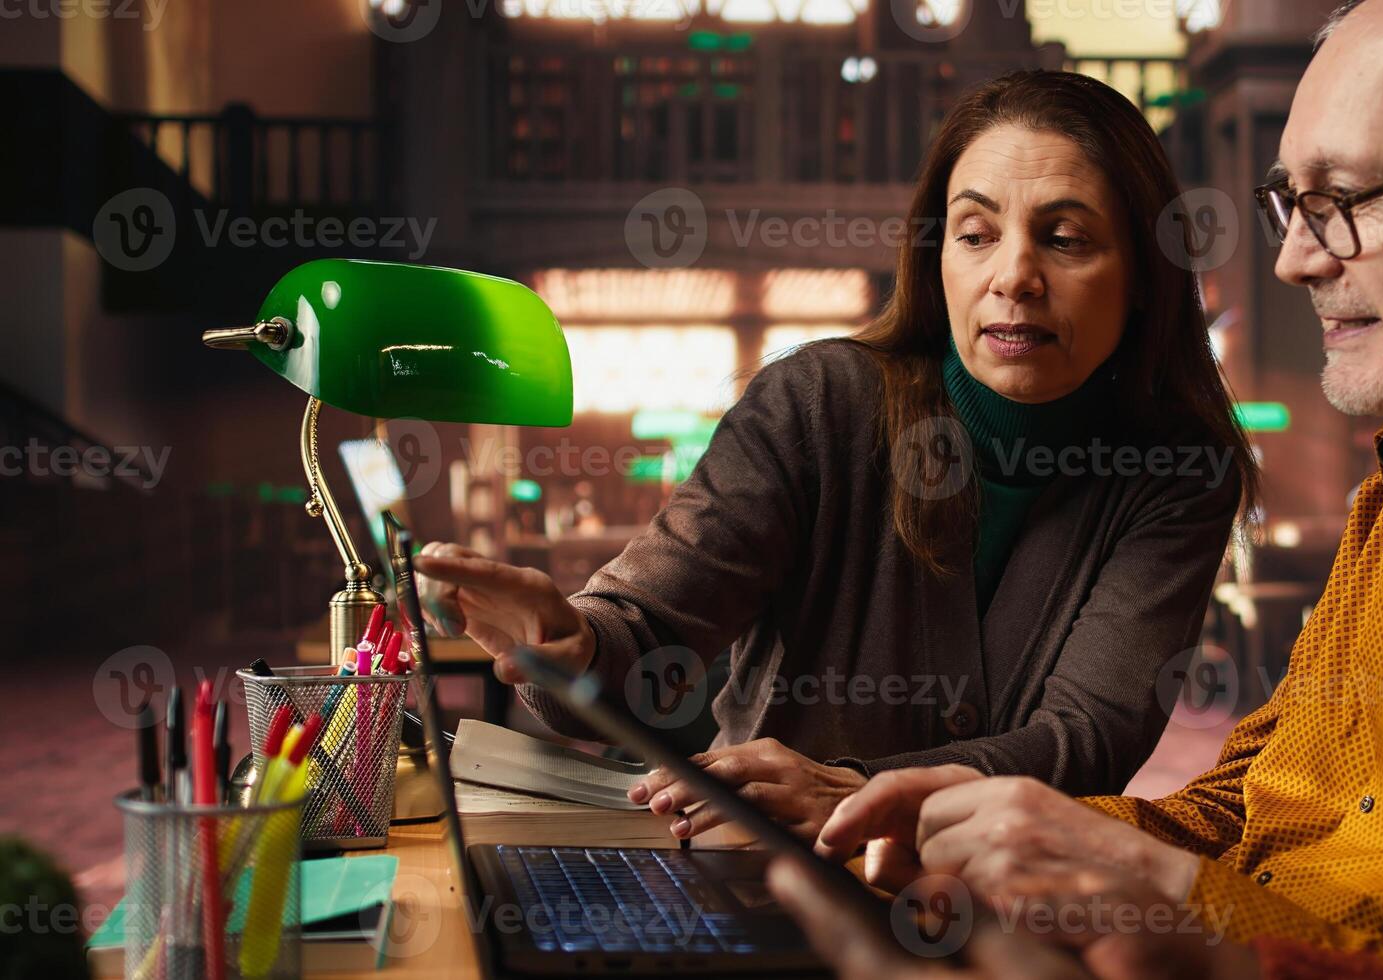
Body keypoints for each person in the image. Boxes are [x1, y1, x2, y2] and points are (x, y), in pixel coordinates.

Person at [788, 1, 1383, 976]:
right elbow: (1244, 805)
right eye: (1287, 203)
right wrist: (969, 827)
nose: (1291, 258)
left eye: (1340, 198)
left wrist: (1171, 906)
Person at [413, 70, 1256, 843]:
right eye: (975, 233)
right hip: (766, 869)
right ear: (938, 257)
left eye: (1065, 239)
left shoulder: (1176, 471)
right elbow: (647, 630)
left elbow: (1084, 741)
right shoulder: (816, 404)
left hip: (1006, 908)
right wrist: (569, 642)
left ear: (1144, 273)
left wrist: (851, 790)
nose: (1014, 275)